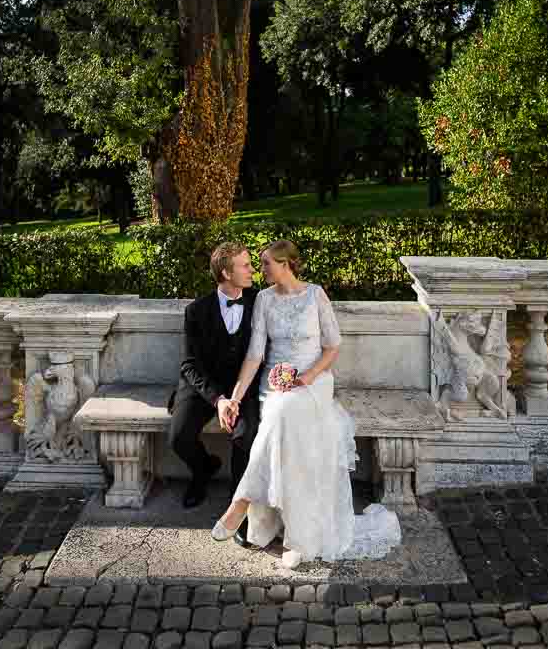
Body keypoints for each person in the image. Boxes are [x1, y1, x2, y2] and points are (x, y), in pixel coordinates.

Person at [211, 239, 401, 569]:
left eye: (266, 263)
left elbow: (332, 346)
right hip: (274, 385)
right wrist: (235, 399)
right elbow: (256, 354)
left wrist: (307, 377)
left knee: (284, 416)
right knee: (281, 417)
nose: (260, 269)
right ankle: (295, 535)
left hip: (313, 381)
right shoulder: (265, 301)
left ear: (285, 264)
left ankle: (242, 501)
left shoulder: (315, 295)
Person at [169, 241, 259, 547]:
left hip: (243, 387)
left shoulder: (260, 301)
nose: (251, 270)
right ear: (225, 272)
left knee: (245, 436)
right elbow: (189, 364)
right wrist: (218, 400)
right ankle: (203, 469)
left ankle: (239, 510)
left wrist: (234, 397)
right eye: (245, 265)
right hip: (202, 388)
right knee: (178, 436)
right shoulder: (196, 311)